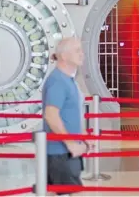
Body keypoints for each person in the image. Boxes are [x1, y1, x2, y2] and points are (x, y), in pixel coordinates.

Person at [42, 37, 93, 196]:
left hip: (62, 153)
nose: (82, 54)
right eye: (77, 50)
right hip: (60, 153)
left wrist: (83, 136)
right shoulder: (58, 81)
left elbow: (70, 113)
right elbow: (51, 115)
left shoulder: (68, 81)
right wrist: (71, 144)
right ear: (63, 56)